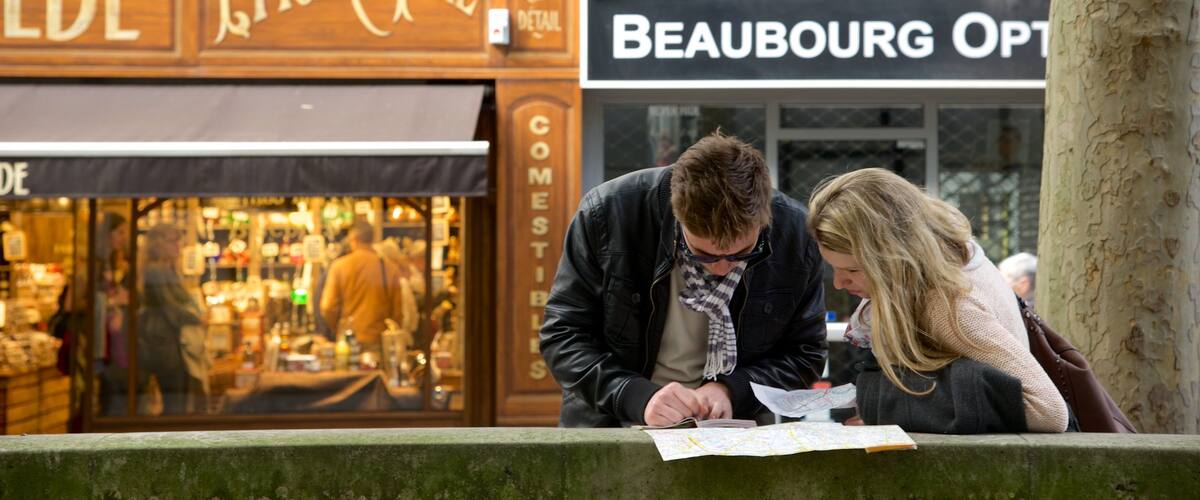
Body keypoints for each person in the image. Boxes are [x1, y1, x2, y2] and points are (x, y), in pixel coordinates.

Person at [540, 131, 828, 428]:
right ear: (678, 215)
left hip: (733, 430)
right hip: (613, 425)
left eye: (743, 254)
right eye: (704, 255)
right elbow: (563, 336)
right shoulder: (606, 214)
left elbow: (805, 353)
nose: (722, 269)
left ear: (764, 218)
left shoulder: (795, 235)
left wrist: (732, 389)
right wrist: (637, 397)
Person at [807, 168, 1067, 432]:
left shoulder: (947, 306)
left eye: (853, 270)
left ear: (894, 256)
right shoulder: (949, 261)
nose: (839, 284)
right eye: (834, 269)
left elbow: (1048, 411)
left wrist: (888, 407)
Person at [138, 223, 207, 415]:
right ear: (158, 244)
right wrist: (195, 317)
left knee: (180, 400)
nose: (178, 246)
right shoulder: (155, 270)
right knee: (175, 403)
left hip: (170, 341)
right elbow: (168, 306)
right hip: (164, 344)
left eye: (179, 241)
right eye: (172, 241)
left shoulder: (168, 269)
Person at [319, 220, 409, 357]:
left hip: (347, 344)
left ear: (353, 239)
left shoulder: (339, 266)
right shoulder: (390, 268)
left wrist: (339, 328)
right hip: (378, 343)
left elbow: (327, 306)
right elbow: (398, 314)